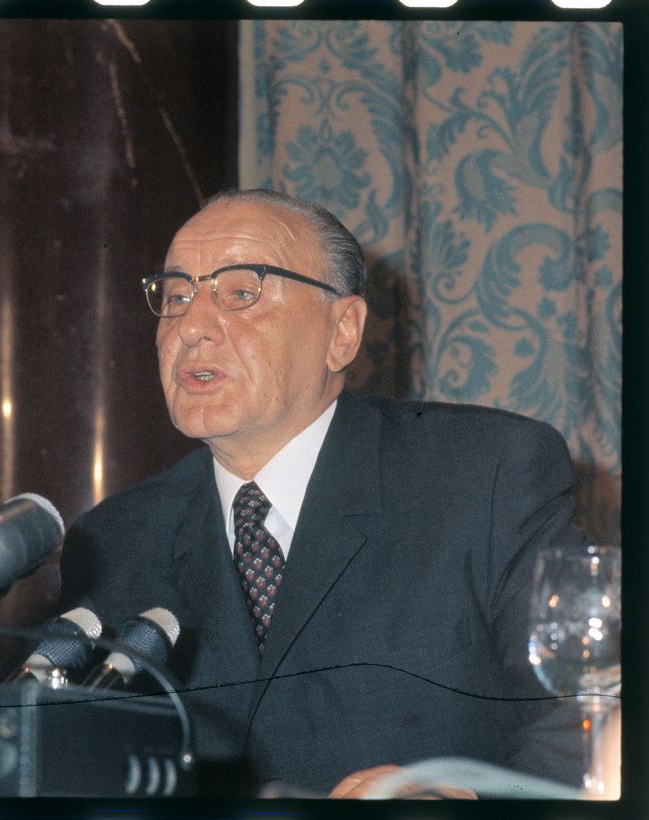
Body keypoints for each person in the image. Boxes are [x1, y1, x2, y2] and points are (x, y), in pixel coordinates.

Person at [58, 189, 586, 797]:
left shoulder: (486, 477)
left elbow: (583, 720)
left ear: (343, 331)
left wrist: (467, 801)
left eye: (241, 292)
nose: (193, 327)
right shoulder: (116, 541)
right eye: (176, 297)